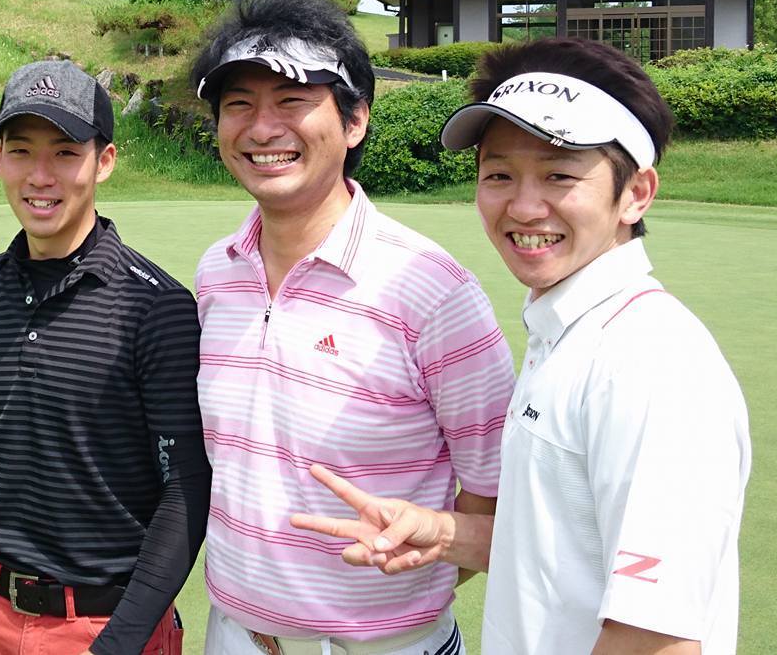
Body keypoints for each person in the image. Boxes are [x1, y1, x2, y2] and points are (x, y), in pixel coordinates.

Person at [292, 37, 752, 654]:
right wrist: (444, 532)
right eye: (499, 175)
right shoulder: (570, 333)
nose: (524, 206)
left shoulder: (649, 361)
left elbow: (654, 637)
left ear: (636, 193)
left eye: (559, 175)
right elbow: (560, 549)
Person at [187, 0, 516, 655]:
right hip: (235, 634)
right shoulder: (216, 272)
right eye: (238, 104)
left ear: (355, 120)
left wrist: (394, 598)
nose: (262, 128)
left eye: (292, 101)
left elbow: (496, 494)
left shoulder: (432, 288)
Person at [0, 60, 209, 655]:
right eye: (20, 151)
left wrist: (119, 643)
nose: (40, 176)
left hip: (106, 627)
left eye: (64, 153)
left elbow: (184, 488)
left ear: (104, 161)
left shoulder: (154, 305)